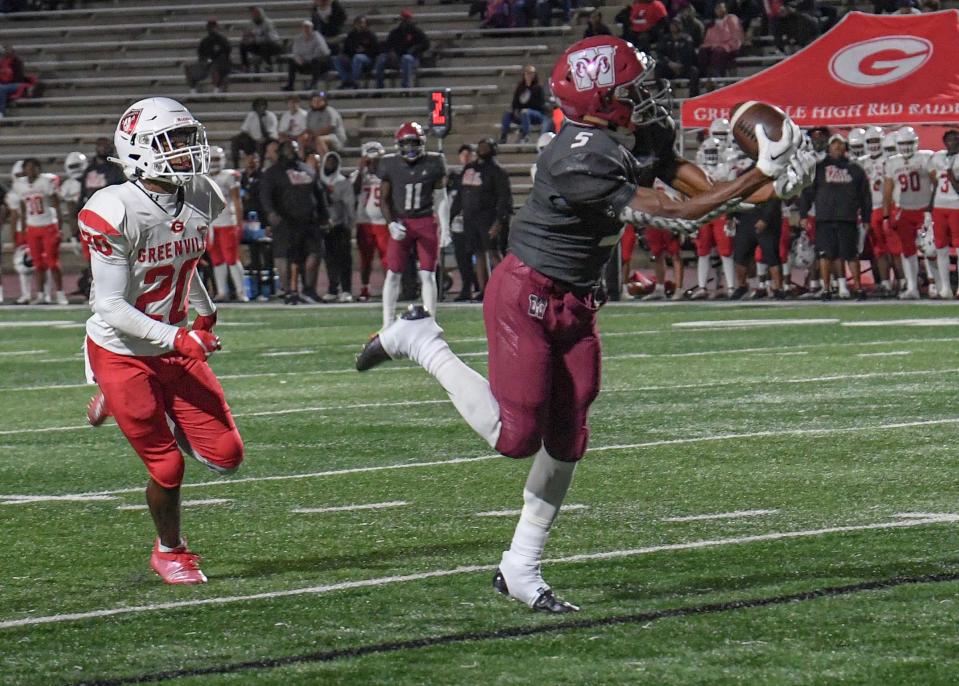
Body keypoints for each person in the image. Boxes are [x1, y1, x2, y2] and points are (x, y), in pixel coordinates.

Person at [355, 35, 804, 613]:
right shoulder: (577, 155)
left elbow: (706, 194)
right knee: (515, 436)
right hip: (527, 295)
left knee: (569, 435)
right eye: (632, 88)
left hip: (580, 300)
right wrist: (755, 177)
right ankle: (421, 341)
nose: (646, 96)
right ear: (600, 99)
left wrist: (772, 184)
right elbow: (675, 215)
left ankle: (520, 566)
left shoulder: (633, 134)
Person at [81, 97, 244, 585]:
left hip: (174, 345)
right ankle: (170, 550)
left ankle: (137, 404)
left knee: (226, 457)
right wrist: (178, 335)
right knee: (168, 464)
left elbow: (180, 260)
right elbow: (108, 305)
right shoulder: (113, 209)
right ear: (136, 150)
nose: (185, 150)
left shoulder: (202, 193)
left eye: (187, 138)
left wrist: (204, 308)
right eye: (170, 142)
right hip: (122, 349)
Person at [376, 121, 449, 329]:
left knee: (427, 273)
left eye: (413, 143)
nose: (409, 148)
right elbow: (384, 199)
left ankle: (430, 321)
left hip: (425, 220)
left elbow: (441, 197)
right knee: (393, 273)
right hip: (401, 222)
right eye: (405, 143)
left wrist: (446, 227)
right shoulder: (389, 164)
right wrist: (391, 224)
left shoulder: (434, 162)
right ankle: (387, 322)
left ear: (422, 143)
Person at [799, 133, 871, 300]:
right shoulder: (817, 168)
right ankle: (826, 288)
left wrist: (866, 217)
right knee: (825, 255)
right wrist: (803, 214)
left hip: (848, 217)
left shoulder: (855, 169)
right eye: (834, 145)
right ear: (828, 147)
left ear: (845, 147)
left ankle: (858, 288)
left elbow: (865, 196)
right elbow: (807, 193)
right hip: (825, 217)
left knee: (851, 254)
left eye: (840, 145)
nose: (837, 148)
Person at [259, 139, 329, 304]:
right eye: (289, 149)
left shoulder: (307, 169)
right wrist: (270, 214)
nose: (292, 152)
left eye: (295, 149)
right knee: (283, 255)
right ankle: (288, 291)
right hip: (285, 220)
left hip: (309, 219)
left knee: (315, 252)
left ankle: (309, 290)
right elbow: (265, 196)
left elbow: (319, 194)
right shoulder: (273, 172)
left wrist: (324, 215)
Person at [454, 138, 512, 298]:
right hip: (470, 217)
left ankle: (505, 288)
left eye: (486, 147)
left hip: (488, 217)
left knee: (494, 252)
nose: (482, 149)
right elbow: (460, 194)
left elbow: (504, 198)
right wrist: (453, 214)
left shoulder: (497, 171)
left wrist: (499, 221)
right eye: (481, 147)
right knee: (478, 253)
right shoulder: (469, 168)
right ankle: (484, 289)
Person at [883, 126, 933, 299]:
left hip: (924, 208)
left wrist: (931, 209)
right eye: (903, 143)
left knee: (930, 248)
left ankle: (935, 284)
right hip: (903, 210)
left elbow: (934, 183)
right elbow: (888, 190)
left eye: (909, 143)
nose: (906, 146)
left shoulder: (926, 157)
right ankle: (912, 286)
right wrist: (886, 214)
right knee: (907, 250)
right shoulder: (892, 162)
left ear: (916, 143)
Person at [11, 158, 66, 304]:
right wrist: (23, 228)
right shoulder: (19, 185)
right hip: (32, 227)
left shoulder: (46, 182)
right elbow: (23, 207)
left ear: (38, 168)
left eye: (33, 167)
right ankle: (41, 295)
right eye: (28, 167)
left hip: (49, 225)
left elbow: (56, 205)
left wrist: (60, 226)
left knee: (52, 262)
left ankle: (60, 294)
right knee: (38, 264)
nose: (30, 170)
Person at [689, 137, 735, 298]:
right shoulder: (698, 169)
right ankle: (702, 287)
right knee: (703, 251)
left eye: (714, 152)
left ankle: (731, 287)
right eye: (708, 152)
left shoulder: (726, 168)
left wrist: (730, 214)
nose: (711, 155)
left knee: (726, 251)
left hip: (721, 211)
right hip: (704, 213)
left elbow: (732, 192)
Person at [207, 146, 249, 303]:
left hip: (227, 223)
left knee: (232, 259)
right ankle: (222, 292)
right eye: (211, 159)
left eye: (217, 159)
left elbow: (237, 201)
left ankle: (240, 292)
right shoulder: (203, 177)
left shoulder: (229, 176)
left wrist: (239, 223)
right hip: (211, 225)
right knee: (217, 260)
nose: (214, 163)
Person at [858, 126, 895, 296]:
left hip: (888, 207)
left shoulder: (890, 160)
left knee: (895, 248)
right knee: (878, 249)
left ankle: (903, 281)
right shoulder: (861, 162)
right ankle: (884, 282)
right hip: (869, 210)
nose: (873, 145)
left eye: (876, 141)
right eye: (870, 141)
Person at [352, 141, 390, 302]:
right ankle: (365, 287)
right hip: (364, 221)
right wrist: (362, 169)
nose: (374, 162)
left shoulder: (388, 174)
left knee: (386, 259)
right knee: (365, 259)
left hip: (382, 221)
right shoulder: (358, 175)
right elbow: (353, 190)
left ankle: (389, 288)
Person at [319, 151, 355, 302]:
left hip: (340, 225)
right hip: (323, 226)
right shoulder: (319, 180)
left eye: (333, 163)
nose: (330, 165)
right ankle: (333, 288)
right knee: (329, 259)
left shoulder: (343, 182)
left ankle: (346, 289)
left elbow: (349, 203)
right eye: (328, 162)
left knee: (344, 259)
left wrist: (350, 222)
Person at [731, 197, 785, 299]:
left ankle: (778, 288)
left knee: (771, 255)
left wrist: (765, 218)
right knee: (740, 255)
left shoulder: (767, 182)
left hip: (767, 222)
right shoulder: (742, 182)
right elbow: (735, 196)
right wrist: (730, 216)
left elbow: (774, 197)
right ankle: (742, 286)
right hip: (745, 220)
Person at [928, 129, 959, 298]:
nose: (953, 142)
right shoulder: (938, 157)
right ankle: (945, 288)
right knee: (940, 248)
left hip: (956, 206)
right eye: (950, 139)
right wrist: (930, 208)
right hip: (939, 207)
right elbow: (935, 183)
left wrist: (950, 174)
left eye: (956, 139)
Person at [447, 143, 478, 301]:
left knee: (477, 257)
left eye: (469, 154)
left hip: (474, 223)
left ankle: (480, 287)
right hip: (458, 224)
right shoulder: (454, 177)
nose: (466, 158)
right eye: (463, 155)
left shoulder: (480, 175)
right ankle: (467, 288)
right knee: (462, 259)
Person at [374, 10, 430, 90]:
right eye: (404, 18)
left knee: (406, 58)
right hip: (397, 59)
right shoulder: (395, 32)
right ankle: (379, 87)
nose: (405, 20)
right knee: (381, 59)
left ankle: (405, 88)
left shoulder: (416, 31)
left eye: (407, 18)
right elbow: (387, 45)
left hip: (413, 59)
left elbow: (426, 44)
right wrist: (390, 52)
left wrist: (414, 49)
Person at [499, 65, 551, 144]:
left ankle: (526, 136)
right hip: (521, 114)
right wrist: (515, 110)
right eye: (527, 73)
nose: (529, 75)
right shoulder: (520, 88)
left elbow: (540, 104)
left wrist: (526, 108)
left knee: (525, 112)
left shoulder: (538, 88)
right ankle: (503, 136)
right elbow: (515, 103)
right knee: (508, 112)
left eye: (531, 73)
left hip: (536, 114)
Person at [184, 19, 232, 94]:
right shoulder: (205, 41)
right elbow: (201, 54)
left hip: (219, 64)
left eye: (213, 27)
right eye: (210, 27)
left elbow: (225, 53)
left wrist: (210, 60)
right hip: (206, 64)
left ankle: (216, 92)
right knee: (189, 69)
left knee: (215, 68)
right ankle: (193, 93)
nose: (212, 29)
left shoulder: (222, 40)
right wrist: (204, 61)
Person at [655, 19, 700, 97]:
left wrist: (681, 65)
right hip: (670, 67)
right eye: (672, 24)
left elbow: (690, 54)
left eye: (676, 24)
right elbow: (660, 53)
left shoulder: (687, 39)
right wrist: (669, 63)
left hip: (684, 67)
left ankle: (693, 96)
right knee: (658, 68)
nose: (673, 27)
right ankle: (662, 95)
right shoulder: (665, 39)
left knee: (694, 71)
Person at [284, 20, 331, 92]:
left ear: (312, 28)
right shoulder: (299, 38)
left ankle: (314, 84)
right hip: (305, 63)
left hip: (319, 63)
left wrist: (307, 59)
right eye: (304, 27)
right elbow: (295, 52)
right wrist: (298, 59)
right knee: (292, 61)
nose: (306, 29)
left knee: (315, 60)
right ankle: (290, 85)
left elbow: (322, 51)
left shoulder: (317, 36)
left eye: (308, 27)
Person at [698, 2, 743, 78]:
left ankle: (718, 76)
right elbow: (708, 39)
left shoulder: (731, 18)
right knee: (702, 51)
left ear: (725, 9)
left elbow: (735, 35)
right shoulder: (712, 23)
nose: (719, 10)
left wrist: (727, 45)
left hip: (729, 46)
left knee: (718, 52)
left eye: (721, 7)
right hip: (714, 45)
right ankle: (703, 76)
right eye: (717, 8)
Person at [230, 98, 278, 168]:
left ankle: (260, 168)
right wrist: (237, 137)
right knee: (236, 141)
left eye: (262, 106)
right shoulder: (251, 115)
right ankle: (236, 167)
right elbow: (245, 130)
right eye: (258, 106)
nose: (260, 108)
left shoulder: (271, 116)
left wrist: (262, 139)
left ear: (265, 107)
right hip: (253, 140)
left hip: (268, 139)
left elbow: (270, 132)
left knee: (261, 144)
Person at [335, 16, 380, 89]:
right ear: (354, 24)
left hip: (368, 59)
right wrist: (347, 54)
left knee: (358, 57)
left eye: (362, 23)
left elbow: (376, 50)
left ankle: (354, 81)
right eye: (358, 23)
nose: (360, 25)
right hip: (352, 58)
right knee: (338, 59)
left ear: (365, 24)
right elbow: (346, 49)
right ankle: (346, 81)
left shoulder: (370, 35)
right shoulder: (351, 35)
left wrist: (364, 51)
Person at [240, 6, 282, 72]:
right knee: (243, 45)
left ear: (261, 14)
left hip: (273, 45)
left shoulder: (268, 23)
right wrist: (247, 38)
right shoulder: (251, 24)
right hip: (259, 46)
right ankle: (245, 66)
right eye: (253, 14)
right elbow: (249, 37)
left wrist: (256, 34)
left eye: (256, 14)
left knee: (264, 42)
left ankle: (268, 64)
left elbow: (271, 38)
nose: (254, 16)